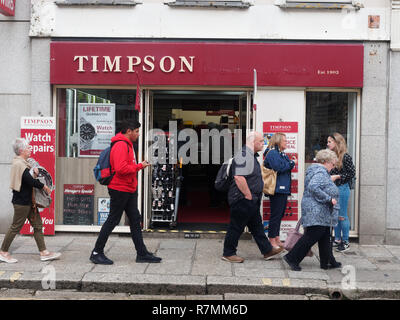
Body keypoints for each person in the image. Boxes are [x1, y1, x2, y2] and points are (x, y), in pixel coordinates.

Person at [90, 119, 162, 265]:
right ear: (128, 131)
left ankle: (141, 253)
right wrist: (139, 166)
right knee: (113, 220)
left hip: (128, 188)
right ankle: (96, 252)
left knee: (135, 219)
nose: (138, 134)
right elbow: (121, 169)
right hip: (120, 188)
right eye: (136, 131)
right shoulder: (121, 145)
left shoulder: (127, 144)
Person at [222, 132, 284, 263]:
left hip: (251, 200)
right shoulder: (244, 155)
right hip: (242, 199)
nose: (263, 143)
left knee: (256, 226)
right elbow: (239, 177)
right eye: (261, 141)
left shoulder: (250, 155)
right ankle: (228, 253)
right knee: (236, 226)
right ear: (252, 142)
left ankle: (267, 250)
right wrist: (248, 195)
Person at [0, 138, 61, 264]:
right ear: (22, 150)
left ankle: (44, 253)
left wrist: (34, 171)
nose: (30, 149)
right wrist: (44, 187)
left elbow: (29, 178)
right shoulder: (19, 164)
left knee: (38, 226)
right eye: (28, 147)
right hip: (21, 203)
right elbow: (30, 181)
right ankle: (3, 252)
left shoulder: (25, 163)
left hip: (29, 202)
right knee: (15, 227)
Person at [283, 149, 341, 271]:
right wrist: (329, 199)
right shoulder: (320, 171)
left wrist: (330, 181)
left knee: (325, 234)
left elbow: (319, 184)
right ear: (326, 162)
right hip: (317, 209)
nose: (333, 166)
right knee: (312, 235)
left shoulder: (318, 171)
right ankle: (292, 257)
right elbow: (314, 186)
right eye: (333, 164)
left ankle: (328, 261)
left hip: (318, 209)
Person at [263, 133, 297, 248]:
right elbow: (279, 167)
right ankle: (272, 239)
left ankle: (276, 238)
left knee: (279, 214)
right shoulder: (273, 153)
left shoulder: (281, 153)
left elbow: (284, 165)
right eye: (284, 141)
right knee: (276, 215)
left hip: (282, 189)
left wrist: (288, 163)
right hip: (277, 189)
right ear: (278, 141)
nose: (286, 142)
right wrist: (292, 163)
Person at [327, 132, 356, 252]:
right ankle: (337, 239)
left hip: (342, 188)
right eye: (327, 142)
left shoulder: (345, 156)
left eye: (330, 141)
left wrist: (337, 176)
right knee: (335, 215)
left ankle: (346, 241)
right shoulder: (331, 156)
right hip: (333, 188)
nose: (327, 144)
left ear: (337, 142)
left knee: (342, 216)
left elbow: (351, 173)